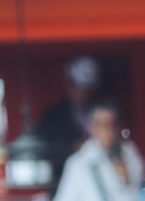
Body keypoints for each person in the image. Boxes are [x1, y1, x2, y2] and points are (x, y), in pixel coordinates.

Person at [34, 54, 103, 185]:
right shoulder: (53, 117)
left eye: (88, 88)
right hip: (64, 181)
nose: (84, 92)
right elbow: (46, 151)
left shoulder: (103, 112)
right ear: (68, 84)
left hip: (98, 181)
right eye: (80, 86)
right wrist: (73, 148)